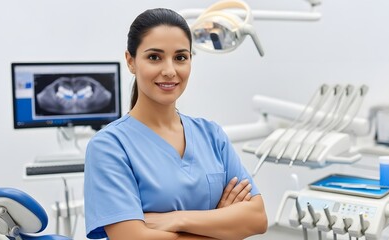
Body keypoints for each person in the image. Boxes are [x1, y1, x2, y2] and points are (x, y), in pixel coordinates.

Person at [84, 7, 267, 240]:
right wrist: (220, 222)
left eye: (180, 57)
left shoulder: (211, 135)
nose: (169, 71)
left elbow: (257, 218)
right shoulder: (109, 146)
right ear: (131, 61)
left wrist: (177, 219)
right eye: (154, 57)